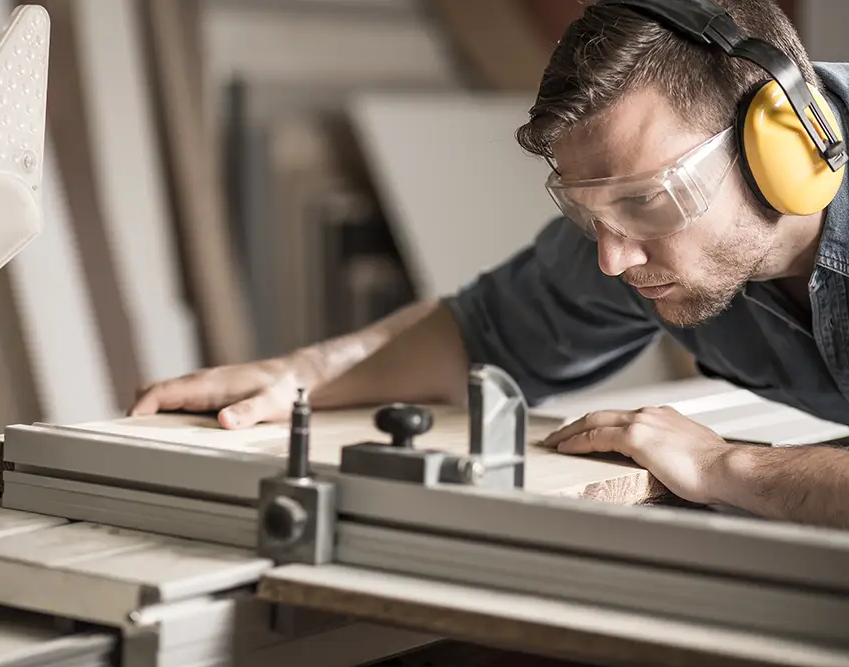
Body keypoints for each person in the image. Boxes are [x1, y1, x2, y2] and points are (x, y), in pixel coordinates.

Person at [132, 0, 849, 529]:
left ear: (786, 144)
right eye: (592, 215)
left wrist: (726, 466)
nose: (612, 259)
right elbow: (482, 333)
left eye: (646, 202)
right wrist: (303, 375)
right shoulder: (635, 235)